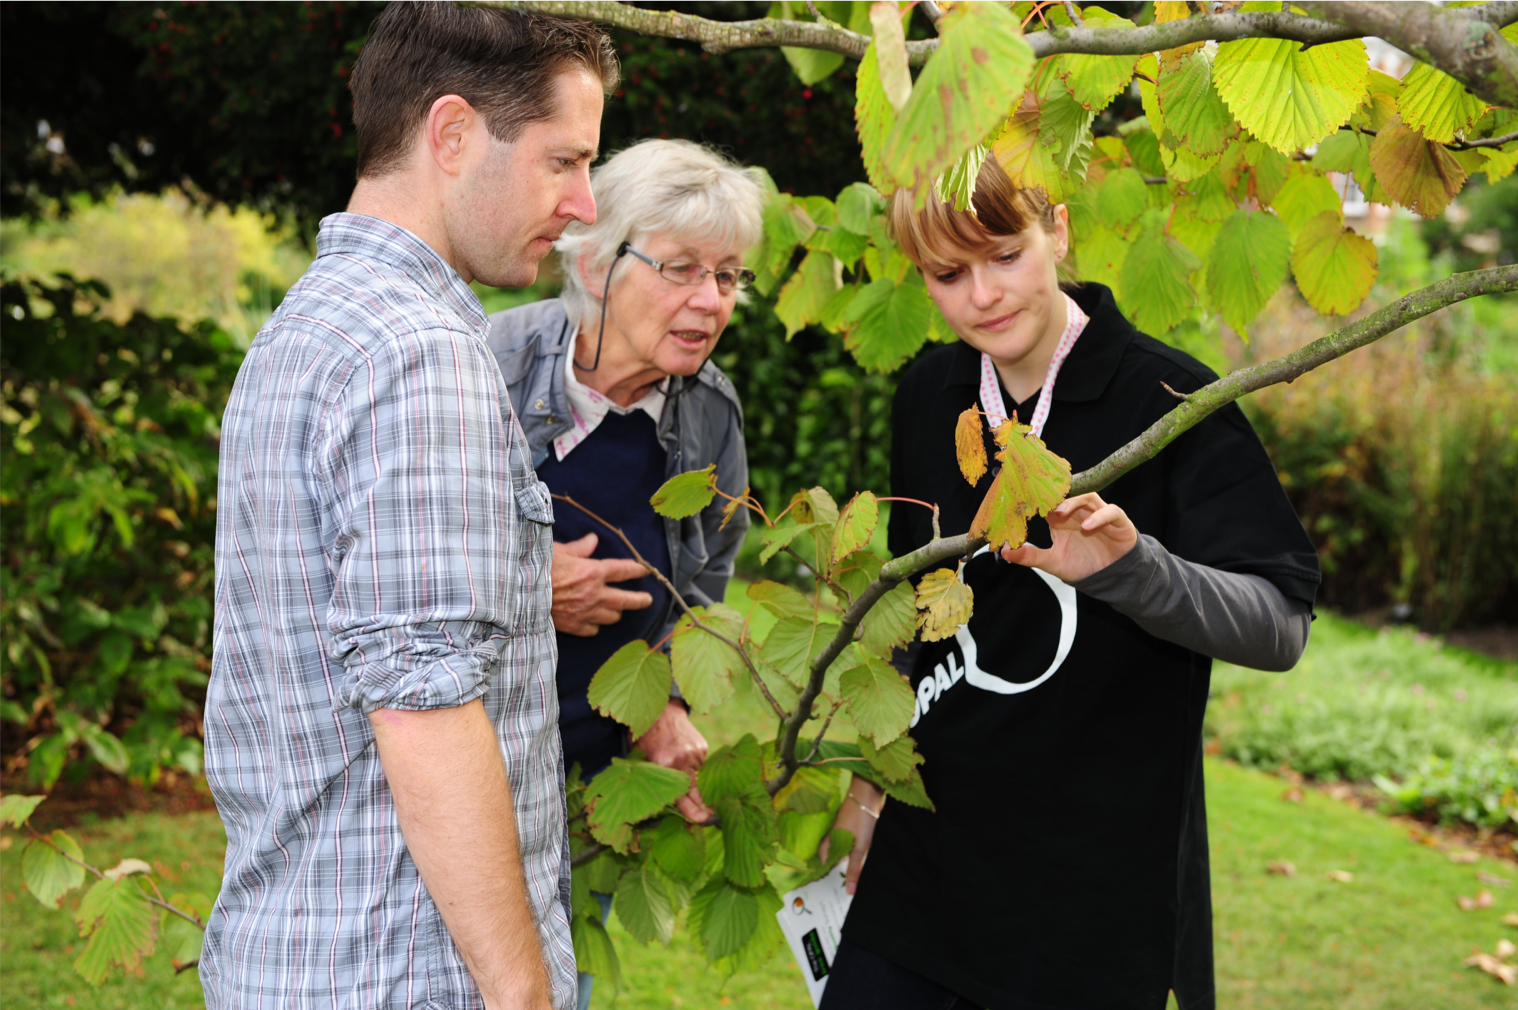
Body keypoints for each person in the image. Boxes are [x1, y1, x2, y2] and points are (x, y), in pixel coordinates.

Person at [819, 157, 1320, 1010]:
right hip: (924, 871)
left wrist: (1133, 569)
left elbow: (1280, 625)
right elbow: (913, 626)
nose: (983, 296)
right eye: (948, 274)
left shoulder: (1171, 398)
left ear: (1056, 230)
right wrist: (868, 795)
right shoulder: (929, 392)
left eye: (1005, 254)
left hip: (1086, 900)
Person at [203, 2, 616, 1008]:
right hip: (404, 973)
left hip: (303, 954)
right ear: (453, 133)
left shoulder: (310, 323)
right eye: (565, 160)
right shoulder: (417, 354)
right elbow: (424, 708)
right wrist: (521, 992)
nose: (587, 204)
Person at [485, 139, 764, 1009]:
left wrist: (667, 702)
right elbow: (403, 560)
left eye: (728, 275)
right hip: (472, 761)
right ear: (599, 264)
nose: (710, 300)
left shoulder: (709, 412)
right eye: (681, 268)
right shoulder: (486, 365)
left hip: (595, 782)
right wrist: (531, 588)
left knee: (562, 980)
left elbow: (706, 579)